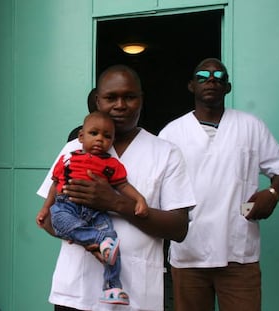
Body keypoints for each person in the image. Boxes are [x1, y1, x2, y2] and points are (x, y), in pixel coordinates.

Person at [36, 64, 196, 311]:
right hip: (75, 293)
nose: (120, 105)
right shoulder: (73, 150)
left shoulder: (166, 153)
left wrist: (115, 203)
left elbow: (179, 228)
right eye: (111, 97)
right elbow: (48, 219)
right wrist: (89, 241)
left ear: (141, 100)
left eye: (129, 97)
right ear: (97, 101)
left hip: (137, 296)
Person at [158, 57, 279, 311]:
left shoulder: (251, 126)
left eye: (219, 76)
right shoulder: (171, 133)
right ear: (192, 85)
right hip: (189, 252)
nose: (211, 80)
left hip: (239, 253)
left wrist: (273, 192)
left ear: (228, 87)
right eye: (202, 76)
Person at [37, 111, 149, 306]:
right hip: (67, 205)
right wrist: (46, 208)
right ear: (81, 136)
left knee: (112, 238)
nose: (100, 139)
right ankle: (99, 241)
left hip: (97, 211)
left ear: (113, 140)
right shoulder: (67, 159)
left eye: (107, 136)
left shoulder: (111, 164)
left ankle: (112, 287)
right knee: (62, 222)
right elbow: (55, 185)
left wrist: (139, 199)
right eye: (94, 133)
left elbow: (123, 186)